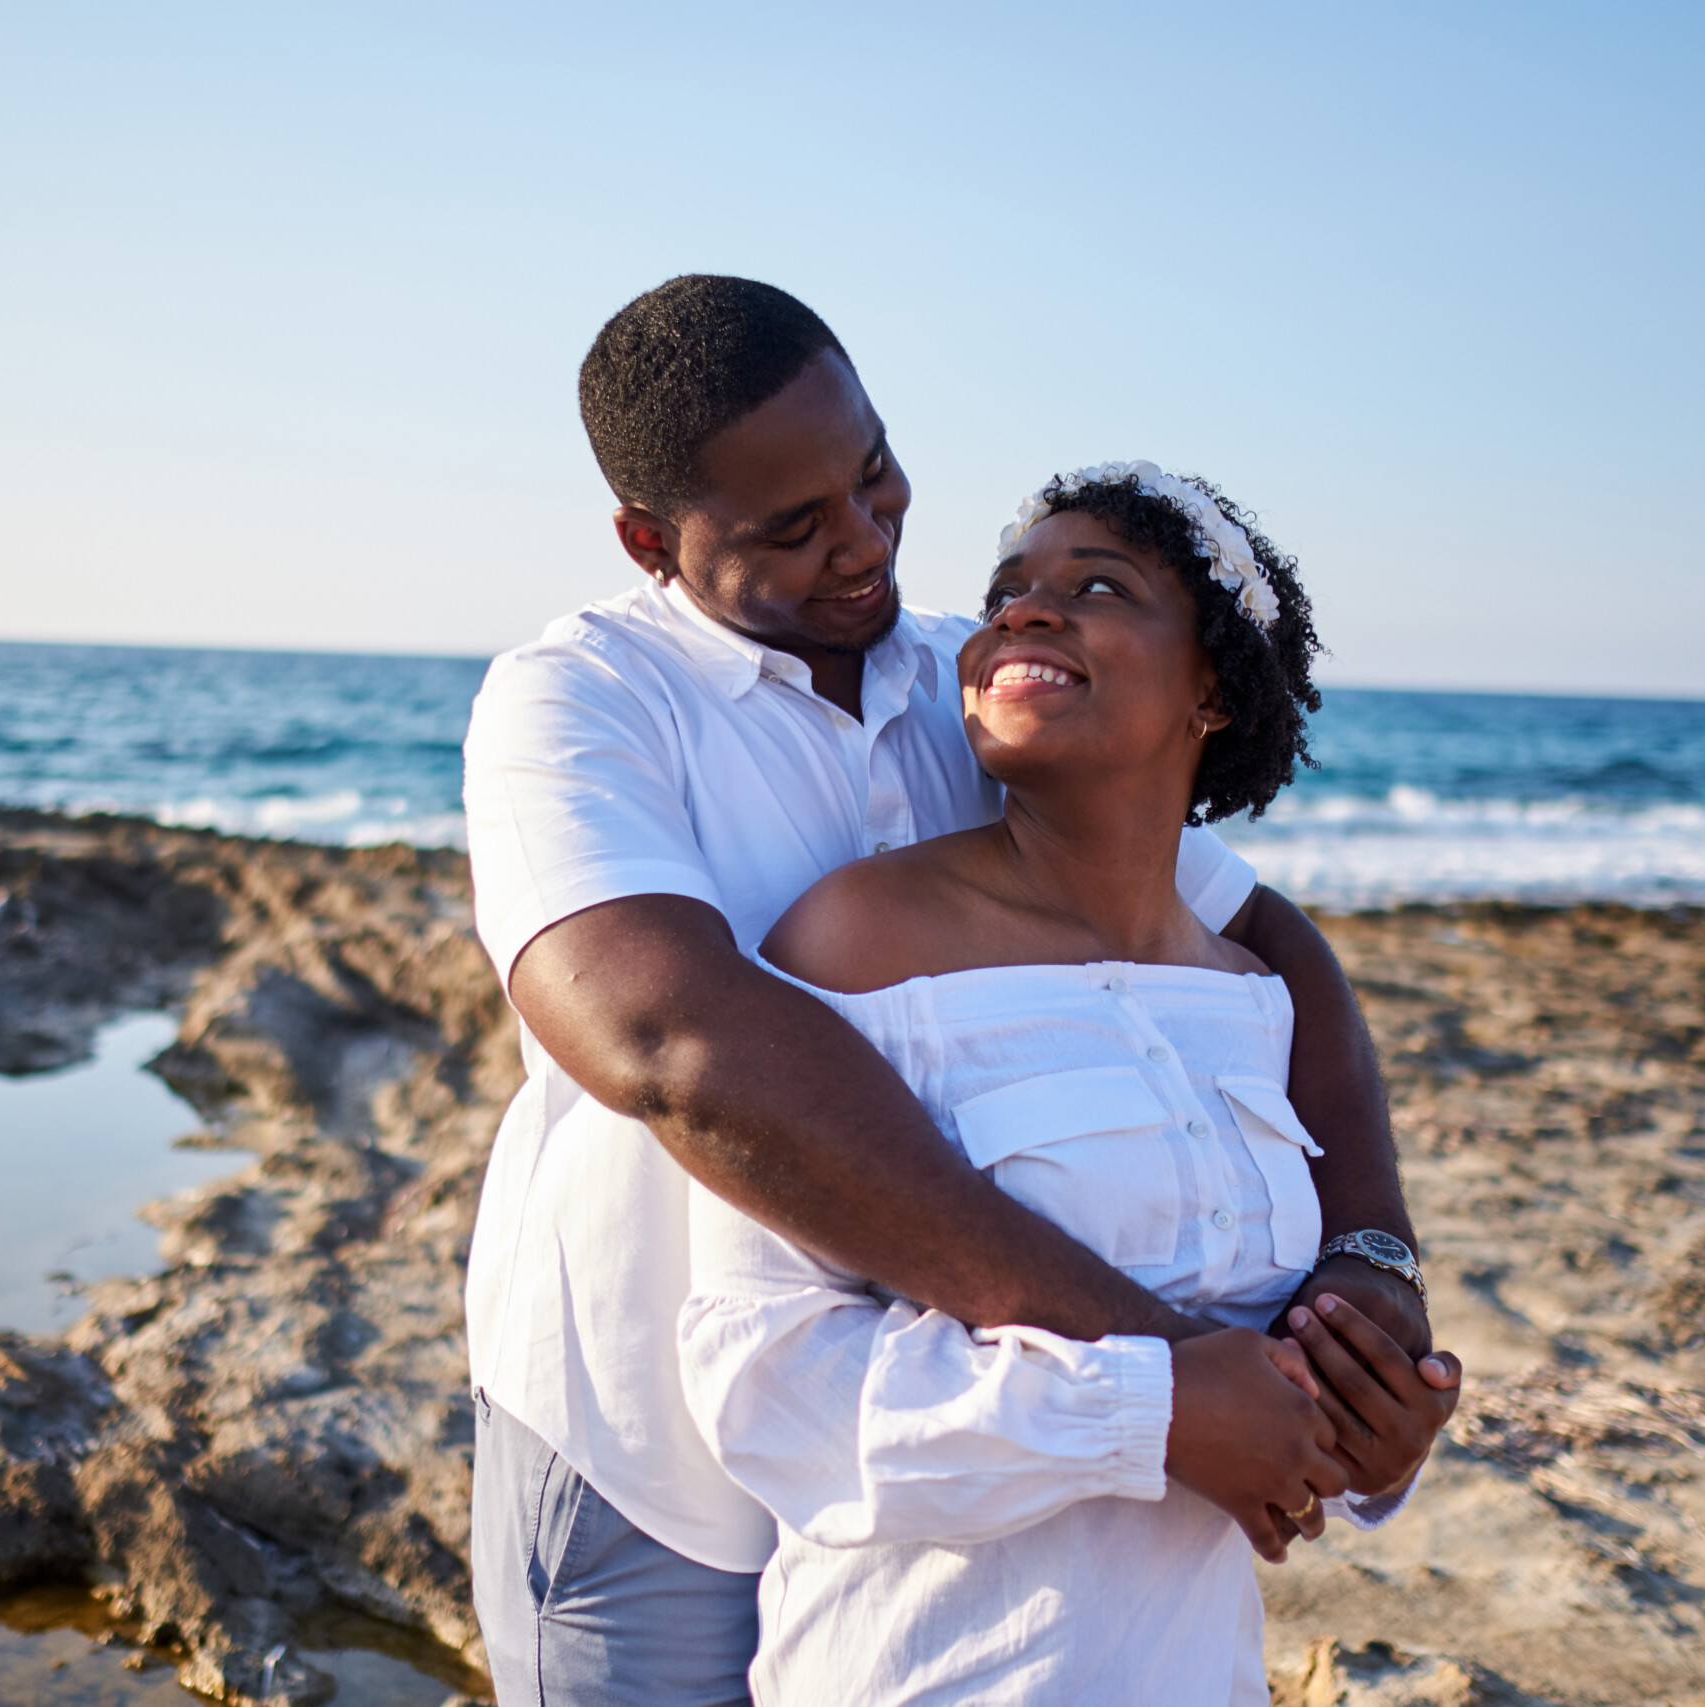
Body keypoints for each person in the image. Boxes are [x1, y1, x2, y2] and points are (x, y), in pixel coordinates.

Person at [461, 276, 1447, 1706]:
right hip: (650, 1452)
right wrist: (1164, 1372)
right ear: (650, 540)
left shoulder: (968, 678)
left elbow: (1273, 943)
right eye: (793, 529)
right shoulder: (582, 702)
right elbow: (669, 1040)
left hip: (951, 1467)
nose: (862, 545)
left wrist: (1373, 1259)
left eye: (873, 479)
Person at [679, 462, 1460, 1704]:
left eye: (1095, 587)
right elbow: (766, 1385)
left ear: (1211, 685)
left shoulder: (1251, 1000)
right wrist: (1141, 1411)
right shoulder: (852, 942)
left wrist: (1373, 1426)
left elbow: (1282, 1368)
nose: (1023, 614)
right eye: (1005, 593)